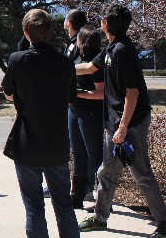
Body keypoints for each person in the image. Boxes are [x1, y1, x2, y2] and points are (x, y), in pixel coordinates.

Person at [76, 4, 166, 238]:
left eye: (102, 19)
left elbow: (133, 92)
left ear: (106, 24)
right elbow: (87, 67)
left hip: (131, 122)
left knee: (141, 173)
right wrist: (60, 68)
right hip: (116, 123)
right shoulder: (110, 49)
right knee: (106, 172)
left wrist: (124, 127)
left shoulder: (122, 52)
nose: (100, 22)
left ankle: (164, 223)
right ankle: (100, 217)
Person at [2, 9, 79, 238]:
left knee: (34, 205)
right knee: (64, 204)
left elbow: (8, 93)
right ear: (49, 32)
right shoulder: (66, 63)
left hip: (28, 142)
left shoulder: (18, 60)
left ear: (26, 33)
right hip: (57, 142)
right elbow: (71, 97)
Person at [69, 26, 104, 209]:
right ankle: (76, 195)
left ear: (84, 41)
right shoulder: (79, 58)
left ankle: (102, 200)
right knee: (78, 154)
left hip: (90, 113)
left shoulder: (96, 63)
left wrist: (79, 94)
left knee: (95, 155)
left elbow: (101, 93)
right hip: (74, 110)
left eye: (79, 39)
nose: (76, 41)